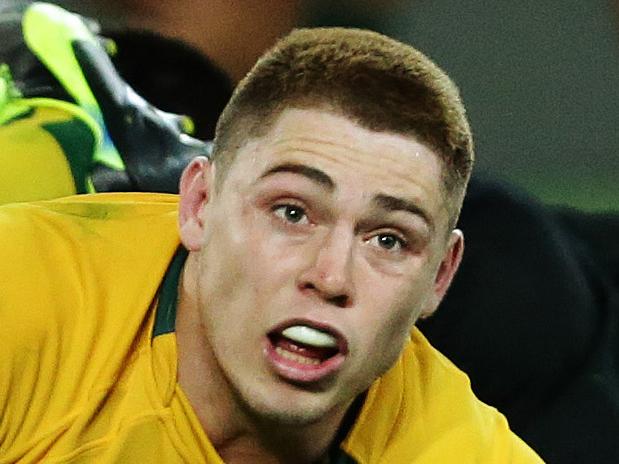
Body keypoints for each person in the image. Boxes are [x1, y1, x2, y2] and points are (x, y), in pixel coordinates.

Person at [0, 27, 543, 462]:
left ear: (441, 278)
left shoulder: (455, 446)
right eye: (292, 213)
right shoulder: (22, 298)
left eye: (388, 239)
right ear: (199, 206)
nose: (330, 277)